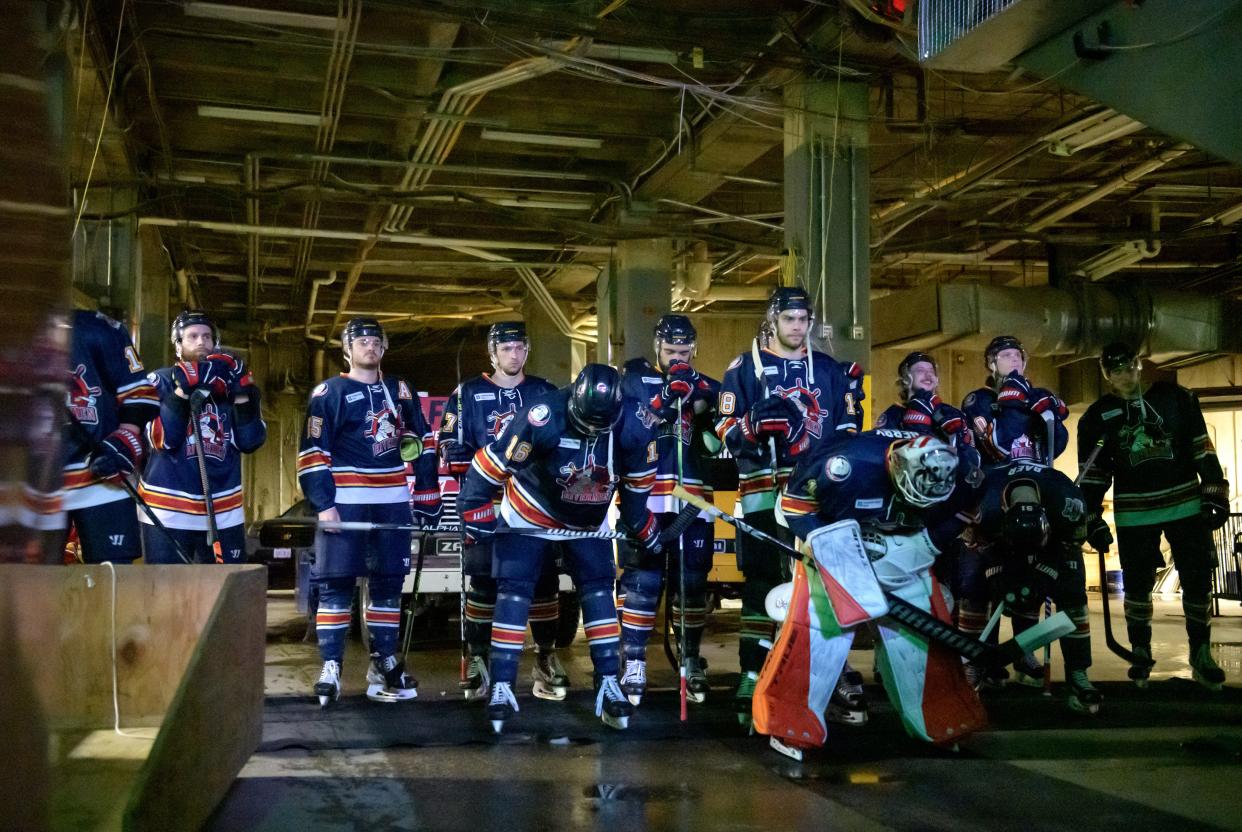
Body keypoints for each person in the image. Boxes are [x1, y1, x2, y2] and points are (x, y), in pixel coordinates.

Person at [458, 364, 659, 733]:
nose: (595, 432)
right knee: (515, 591)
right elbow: (489, 465)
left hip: (587, 519)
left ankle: (608, 681)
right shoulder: (542, 415)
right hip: (530, 512)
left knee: (599, 589)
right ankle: (502, 683)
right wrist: (474, 509)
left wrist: (642, 524)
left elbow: (635, 488)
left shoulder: (638, 423)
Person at [771, 431, 987, 754]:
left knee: (916, 633)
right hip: (832, 526)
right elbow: (793, 507)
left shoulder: (963, 471)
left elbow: (966, 509)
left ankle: (939, 716)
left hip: (902, 537)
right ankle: (791, 719)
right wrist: (826, 548)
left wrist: (928, 543)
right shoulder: (844, 465)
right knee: (820, 624)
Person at [715, 285, 865, 725]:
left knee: (824, 582)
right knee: (762, 581)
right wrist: (751, 426)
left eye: (804, 321)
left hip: (817, 496)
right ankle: (751, 669)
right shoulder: (746, 366)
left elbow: (847, 428)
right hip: (764, 488)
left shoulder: (829, 369)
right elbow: (723, 427)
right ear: (773, 321)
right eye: (790, 320)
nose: (798, 328)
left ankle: (828, 669)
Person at [297, 317, 441, 707]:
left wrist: (427, 490)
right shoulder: (330, 391)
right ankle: (331, 665)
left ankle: (383, 661)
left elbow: (424, 439)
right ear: (347, 349)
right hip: (347, 499)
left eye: (376, 340)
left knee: (388, 582)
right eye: (361, 341)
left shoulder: (400, 389)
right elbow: (312, 453)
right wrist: (324, 503)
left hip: (392, 498)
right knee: (336, 582)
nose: (370, 346)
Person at [1078, 342, 1229, 691]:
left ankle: (1201, 652)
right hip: (1134, 511)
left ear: (1139, 364)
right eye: (1115, 370)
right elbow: (1094, 472)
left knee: (1196, 579)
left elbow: (1200, 446)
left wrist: (1214, 490)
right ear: (1106, 375)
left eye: (1128, 367)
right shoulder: (1097, 416)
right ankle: (1141, 651)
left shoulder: (1178, 399)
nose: (1124, 375)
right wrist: (1091, 516)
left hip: (1185, 504)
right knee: (1137, 585)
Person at [438, 321, 569, 703]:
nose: (515, 355)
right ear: (493, 353)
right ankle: (479, 659)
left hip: (535, 507)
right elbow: (447, 439)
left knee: (543, 584)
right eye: (507, 349)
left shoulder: (545, 391)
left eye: (520, 348)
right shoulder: (467, 393)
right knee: (484, 583)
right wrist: (453, 452)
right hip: (486, 504)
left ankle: (545, 657)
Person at [957, 335, 1074, 689]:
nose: (1013, 361)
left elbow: (1056, 447)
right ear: (991, 364)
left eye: (1017, 356)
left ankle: (1022, 650)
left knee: (1031, 577)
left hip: (1035, 496)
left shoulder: (1036, 395)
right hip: (994, 495)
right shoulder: (979, 400)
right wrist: (1013, 400)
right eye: (1005, 356)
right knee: (983, 577)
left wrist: (1049, 415)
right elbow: (999, 443)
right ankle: (981, 656)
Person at [618, 314, 720, 705]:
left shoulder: (706, 384)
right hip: (646, 496)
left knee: (692, 585)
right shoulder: (634, 381)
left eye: (684, 351)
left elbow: (717, 438)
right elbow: (626, 430)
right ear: (657, 348)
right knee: (642, 582)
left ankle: (691, 658)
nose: (678, 357)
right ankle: (635, 660)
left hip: (692, 499)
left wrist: (707, 406)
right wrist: (664, 401)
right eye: (670, 350)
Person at [139, 310, 266, 564]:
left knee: (227, 587)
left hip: (224, 509)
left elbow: (249, 441)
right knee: (167, 590)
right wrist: (182, 392)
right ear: (177, 346)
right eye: (193, 336)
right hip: (168, 508)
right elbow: (163, 440)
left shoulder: (231, 385)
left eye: (207, 337)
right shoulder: (159, 381)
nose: (201, 342)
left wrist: (242, 395)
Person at [62, 309, 159, 563]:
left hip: (101, 476)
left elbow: (138, 393)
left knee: (114, 580)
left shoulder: (99, 328)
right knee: (24, 584)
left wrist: (126, 439)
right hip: (30, 484)